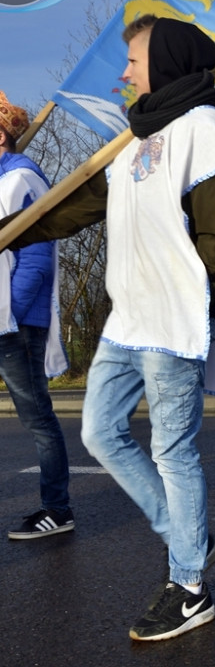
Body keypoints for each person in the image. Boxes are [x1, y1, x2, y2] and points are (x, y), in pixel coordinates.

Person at [0, 16, 215, 641]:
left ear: (167, 59)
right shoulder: (136, 137)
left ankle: (190, 587)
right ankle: (189, 535)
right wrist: (14, 232)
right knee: (100, 433)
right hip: (126, 320)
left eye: (133, 59)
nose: (123, 72)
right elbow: (73, 208)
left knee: (173, 452)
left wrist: (198, 314)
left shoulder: (207, 134)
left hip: (173, 321)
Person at [0, 92, 74, 540]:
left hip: (14, 324)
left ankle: (57, 508)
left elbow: (38, 257)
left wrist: (11, 314)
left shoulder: (22, 179)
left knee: (37, 417)